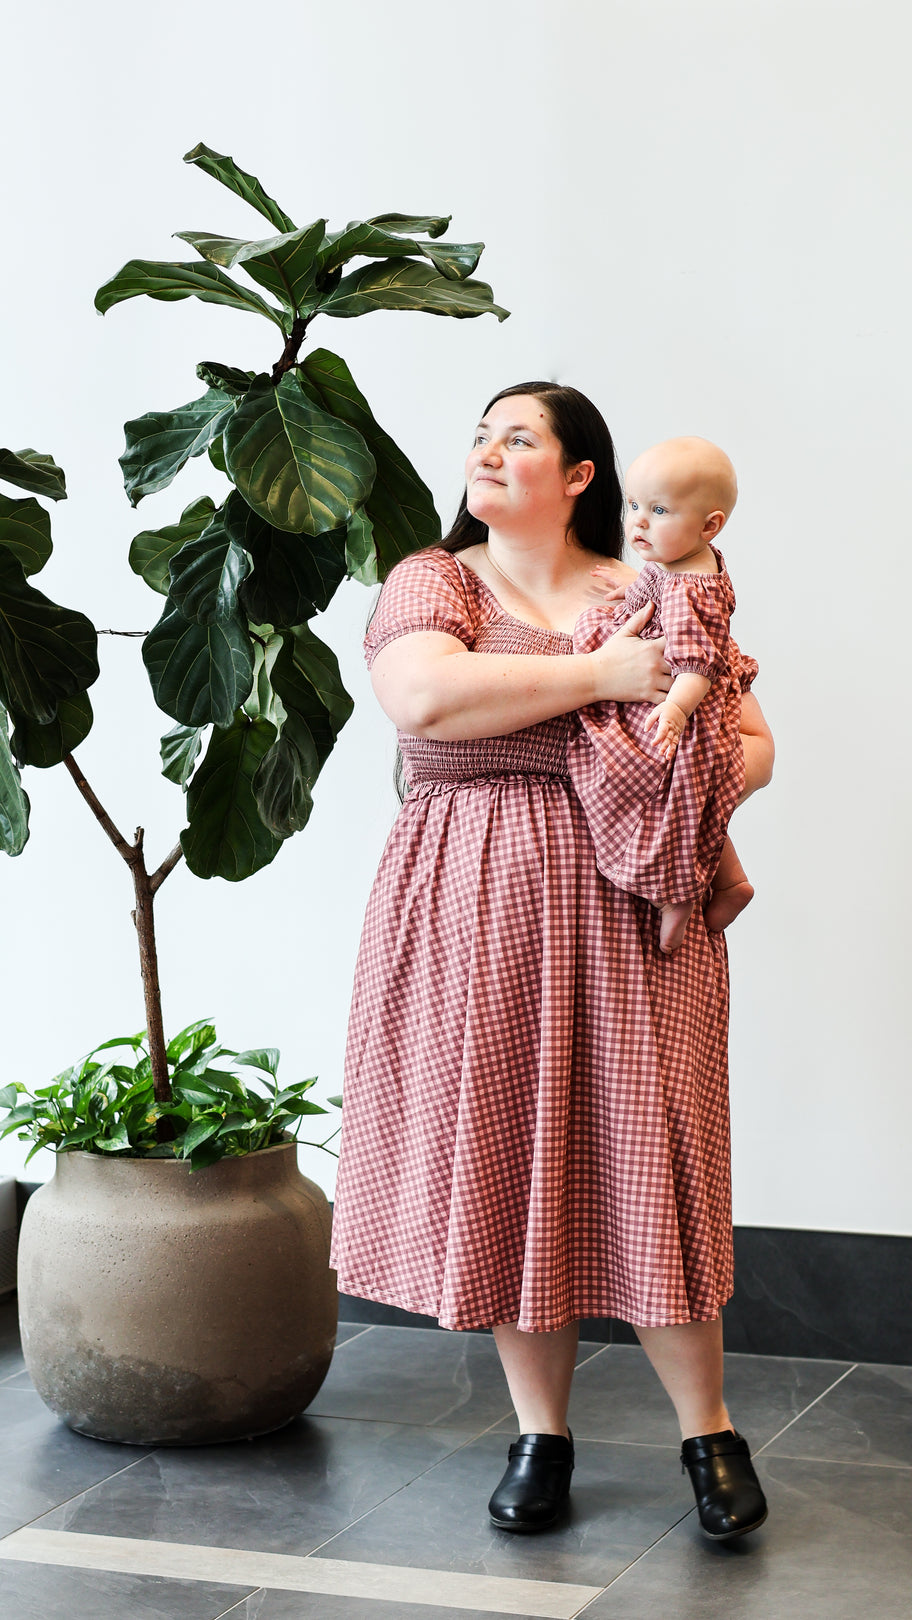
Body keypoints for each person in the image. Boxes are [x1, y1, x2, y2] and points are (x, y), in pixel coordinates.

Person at [330, 381, 775, 1543]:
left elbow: (754, 742)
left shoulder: (649, 585)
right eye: (478, 435)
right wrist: (599, 683)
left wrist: (667, 741)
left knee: (653, 1159)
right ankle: (542, 1433)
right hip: (473, 907)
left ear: (581, 473)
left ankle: (709, 1429)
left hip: (632, 910)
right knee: (516, 1160)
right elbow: (422, 697)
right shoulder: (434, 579)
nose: (485, 451)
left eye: (516, 437)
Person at [569, 435, 755, 955]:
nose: (638, 523)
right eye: (632, 505)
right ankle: (730, 878)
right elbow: (652, 588)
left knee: (673, 798)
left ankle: (676, 896)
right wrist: (624, 595)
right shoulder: (684, 562)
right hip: (679, 695)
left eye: (659, 510)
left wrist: (674, 711)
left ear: (709, 526)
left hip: (690, 707)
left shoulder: (691, 591)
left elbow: (698, 665)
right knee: (686, 801)